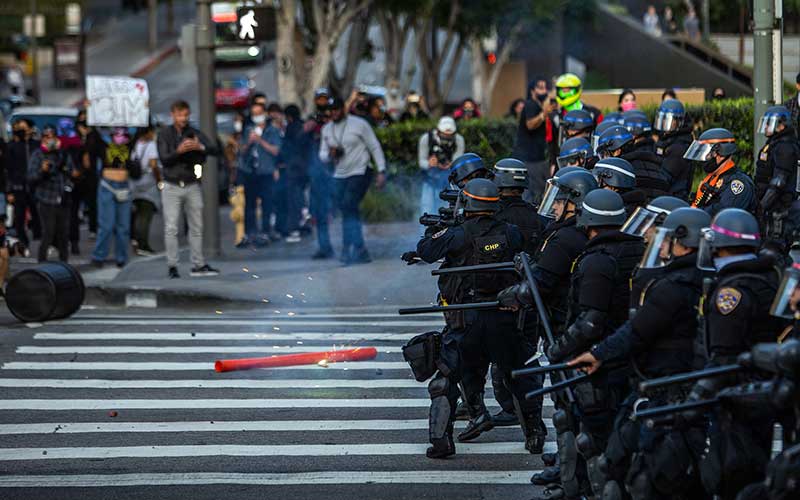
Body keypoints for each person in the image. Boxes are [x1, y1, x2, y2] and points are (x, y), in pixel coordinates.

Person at [567, 207, 711, 500]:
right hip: (679, 390)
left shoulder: (671, 287)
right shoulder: (706, 281)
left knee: (642, 473)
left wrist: (598, 354)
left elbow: (636, 331)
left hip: (663, 392)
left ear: (681, 239)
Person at [416, 178, 541, 458]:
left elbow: (426, 251)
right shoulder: (510, 232)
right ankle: (535, 434)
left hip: (466, 320)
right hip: (502, 316)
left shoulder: (458, 234)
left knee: (445, 379)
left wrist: (437, 230)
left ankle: (441, 442)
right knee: (520, 376)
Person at [690, 208, 787, 499]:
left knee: (730, 471)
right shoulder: (768, 277)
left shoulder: (731, 291)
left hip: (737, 395)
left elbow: (723, 353)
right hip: (766, 390)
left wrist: (698, 397)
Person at [319, 97, 387, 265]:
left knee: (349, 204)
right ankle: (360, 249)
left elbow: (374, 146)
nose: (333, 113)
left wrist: (382, 171)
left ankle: (347, 248)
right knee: (348, 209)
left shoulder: (359, 124)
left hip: (361, 170)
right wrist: (330, 154)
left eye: (336, 109)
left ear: (343, 108)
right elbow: (322, 154)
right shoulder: (327, 129)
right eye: (330, 110)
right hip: (339, 173)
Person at [157, 100, 220, 279]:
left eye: (185, 115)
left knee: (197, 226)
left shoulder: (193, 133)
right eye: (179, 115)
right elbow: (164, 158)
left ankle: (198, 264)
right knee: (171, 227)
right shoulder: (165, 134)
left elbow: (215, 149)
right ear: (173, 115)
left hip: (191, 184)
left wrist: (200, 147)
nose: (183, 119)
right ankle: (172, 266)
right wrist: (179, 151)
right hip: (171, 185)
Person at [92, 128, 140, 267]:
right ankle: (99, 256)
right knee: (106, 225)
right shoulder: (105, 148)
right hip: (107, 187)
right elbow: (94, 134)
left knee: (123, 227)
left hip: (123, 187)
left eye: (124, 135)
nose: (120, 137)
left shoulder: (129, 149)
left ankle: (121, 258)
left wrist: (144, 108)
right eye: (117, 134)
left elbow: (140, 130)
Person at [27, 124, 75, 263]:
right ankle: (41, 263)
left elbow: (71, 173)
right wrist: (42, 171)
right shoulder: (38, 154)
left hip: (63, 199)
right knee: (48, 233)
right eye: (46, 137)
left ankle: (64, 264)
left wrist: (69, 185)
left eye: (52, 136)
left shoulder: (63, 153)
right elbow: (31, 177)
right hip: (46, 199)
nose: (50, 139)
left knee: (63, 234)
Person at [755, 105, 800, 251]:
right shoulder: (775, 143)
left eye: (770, 123)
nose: (766, 126)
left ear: (781, 125)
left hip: (779, 209)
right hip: (772, 208)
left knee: (774, 249)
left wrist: (762, 206)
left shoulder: (785, 147)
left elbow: (779, 182)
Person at [237, 101, 282, 248]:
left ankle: (266, 231)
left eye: (259, 114)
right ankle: (251, 233)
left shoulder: (272, 130)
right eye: (254, 114)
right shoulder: (248, 129)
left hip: (266, 171)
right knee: (249, 204)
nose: (257, 117)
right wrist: (249, 142)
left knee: (267, 203)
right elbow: (241, 152)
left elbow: (275, 150)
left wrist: (260, 140)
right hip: (251, 171)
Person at [686, 128, 755, 216]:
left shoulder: (738, 183)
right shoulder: (713, 178)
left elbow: (724, 215)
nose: (703, 160)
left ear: (721, 153)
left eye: (707, 154)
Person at [513, 78, 558, 204]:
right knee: (532, 196)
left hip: (539, 159)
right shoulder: (530, 105)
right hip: (530, 160)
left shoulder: (539, 106)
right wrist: (543, 114)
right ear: (532, 90)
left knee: (541, 194)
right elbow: (530, 125)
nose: (544, 90)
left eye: (545, 87)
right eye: (540, 87)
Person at [596, 125, 671, 201]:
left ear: (617, 151)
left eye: (605, 154)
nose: (604, 158)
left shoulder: (622, 173)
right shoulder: (657, 166)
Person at [306, 93, 335, 259]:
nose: (322, 103)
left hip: (334, 171)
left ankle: (351, 245)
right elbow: (303, 132)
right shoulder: (314, 119)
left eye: (325, 99)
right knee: (319, 212)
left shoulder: (334, 122)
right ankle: (324, 246)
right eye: (320, 100)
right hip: (317, 171)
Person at [418, 116, 465, 217]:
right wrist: (429, 163)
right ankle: (424, 231)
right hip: (430, 179)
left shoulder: (459, 140)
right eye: (444, 135)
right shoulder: (426, 139)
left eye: (449, 136)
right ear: (438, 131)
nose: (447, 138)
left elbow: (458, 161)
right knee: (427, 208)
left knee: (448, 209)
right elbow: (421, 162)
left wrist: (450, 165)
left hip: (449, 180)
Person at [6, 118, 41, 251]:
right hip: (18, 186)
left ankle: (40, 239)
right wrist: (9, 190)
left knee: (37, 214)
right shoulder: (12, 146)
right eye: (19, 128)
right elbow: (8, 169)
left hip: (36, 186)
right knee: (19, 217)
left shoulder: (37, 145)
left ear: (31, 129)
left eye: (24, 128)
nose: (21, 131)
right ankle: (23, 241)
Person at [654, 98, 695, 200]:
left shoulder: (679, 147)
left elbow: (663, 179)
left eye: (668, 120)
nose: (664, 123)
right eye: (662, 119)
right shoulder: (665, 140)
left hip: (674, 198)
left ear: (678, 122)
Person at [73, 111, 103, 246]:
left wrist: (88, 137)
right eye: (81, 121)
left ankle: (93, 229)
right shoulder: (74, 137)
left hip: (91, 175)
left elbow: (100, 151)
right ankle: (73, 237)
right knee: (74, 206)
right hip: (77, 176)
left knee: (92, 204)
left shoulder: (94, 135)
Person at [280, 104, 310, 244]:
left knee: (294, 200)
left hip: (294, 169)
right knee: (301, 198)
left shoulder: (291, 128)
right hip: (305, 168)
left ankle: (295, 229)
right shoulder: (304, 126)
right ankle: (304, 222)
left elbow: (286, 148)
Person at [131, 125, 162, 256]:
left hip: (134, 183)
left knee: (137, 214)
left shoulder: (134, 144)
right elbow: (154, 165)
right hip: (148, 183)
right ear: (149, 132)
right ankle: (142, 244)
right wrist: (159, 180)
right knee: (145, 215)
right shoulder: (151, 145)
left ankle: (135, 240)